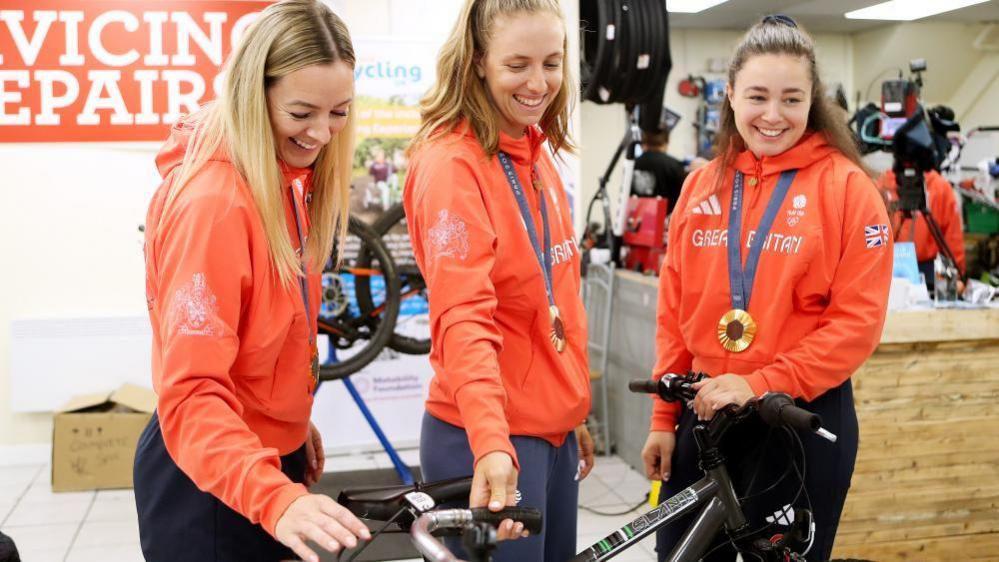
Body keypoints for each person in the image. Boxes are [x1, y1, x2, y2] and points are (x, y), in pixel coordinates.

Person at [640, 15, 893, 562]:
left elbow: (856, 326)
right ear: (730, 94)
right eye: (757, 96)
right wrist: (664, 421)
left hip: (796, 419)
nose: (773, 116)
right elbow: (674, 311)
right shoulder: (700, 186)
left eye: (791, 99)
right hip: (704, 416)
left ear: (812, 100)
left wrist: (760, 382)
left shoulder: (849, 190)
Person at [133, 2, 371, 561]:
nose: (321, 133)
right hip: (212, 480)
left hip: (258, 457)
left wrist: (287, 417)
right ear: (252, 95)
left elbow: (265, 330)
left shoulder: (287, 179)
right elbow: (191, 391)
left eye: (339, 112)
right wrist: (272, 493)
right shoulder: (214, 203)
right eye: (302, 112)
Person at [403, 0, 594, 560]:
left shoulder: (536, 154)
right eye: (518, 65)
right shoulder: (451, 165)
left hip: (545, 433)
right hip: (486, 439)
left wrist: (569, 408)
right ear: (478, 61)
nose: (539, 83)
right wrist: (491, 441)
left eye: (552, 63)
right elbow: (463, 317)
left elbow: (556, 299)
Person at [878, 168, 966, 290]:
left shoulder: (940, 187)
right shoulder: (882, 184)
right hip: (890, 267)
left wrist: (956, 277)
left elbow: (952, 238)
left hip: (928, 270)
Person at [632, 129, 687, 214]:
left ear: (644, 142)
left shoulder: (632, 165)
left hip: (638, 222)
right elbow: (683, 200)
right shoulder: (674, 166)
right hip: (667, 222)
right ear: (666, 142)